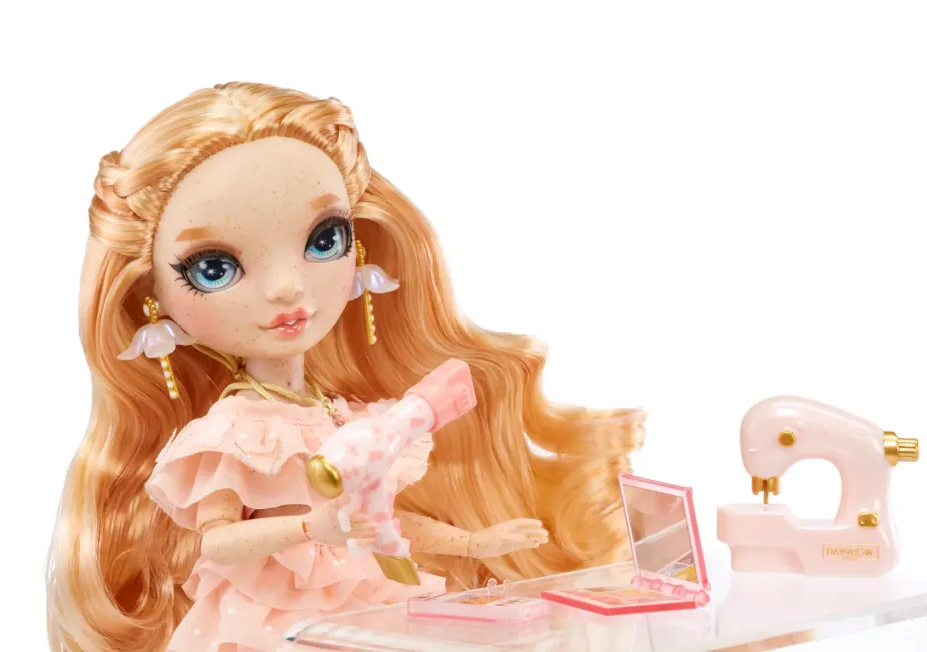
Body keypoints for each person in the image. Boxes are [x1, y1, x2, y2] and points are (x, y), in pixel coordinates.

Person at [46, 82, 644, 651]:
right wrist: (310, 529)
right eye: (214, 268)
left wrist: (472, 543)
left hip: (361, 607)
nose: (286, 288)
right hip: (270, 621)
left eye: (324, 239)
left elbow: (383, 519)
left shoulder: (347, 418)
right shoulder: (233, 432)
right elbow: (218, 542)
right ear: (152, 299)